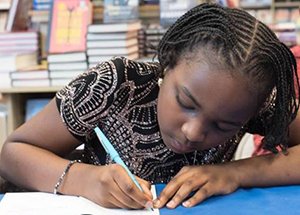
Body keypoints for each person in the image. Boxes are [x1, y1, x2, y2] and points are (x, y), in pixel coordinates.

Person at [0, 3, 300, 210]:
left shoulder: (250, 98)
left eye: (224, 126)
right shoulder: (114, 83)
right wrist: (85, 179)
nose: (193, 132)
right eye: (185, 103)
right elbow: (13, 153)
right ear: (167, 61)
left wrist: (234, 174)